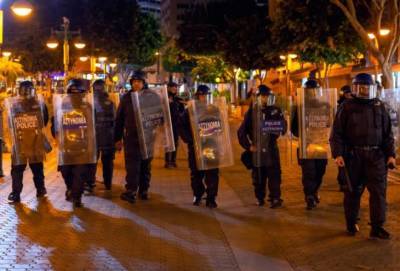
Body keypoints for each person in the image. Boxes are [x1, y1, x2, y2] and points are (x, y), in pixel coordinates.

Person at [330, 73, 395, 239]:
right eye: (361, 87)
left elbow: (388, 134)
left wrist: (391, 155)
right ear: (355, 88)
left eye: (367, 87)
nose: (365, 90)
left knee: (379, 192)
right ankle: (351, 223)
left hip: (376, 156)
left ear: (372, 88)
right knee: (352, 192)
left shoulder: (380, 106)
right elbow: (337, 134)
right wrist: (338, 154)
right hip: (354, 156)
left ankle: (377, 227)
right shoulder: (347, 107)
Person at [238, 85, 287, 208]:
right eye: (262, 96)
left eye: (267, 96)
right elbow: (241, 132)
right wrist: (249, 146)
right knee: (259, 176)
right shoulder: (251, 112)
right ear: (258, 97)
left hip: (271, 148)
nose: (265, 99)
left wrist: (280, 128)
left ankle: (275, 198)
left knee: (275, 174)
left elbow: (283, 127)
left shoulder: (275, 110)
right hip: (258, 150)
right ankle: (260, 198)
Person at [51, 78, 96, 207]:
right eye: (72, 92)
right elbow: (55, 123)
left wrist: (90, 142)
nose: (75, 95)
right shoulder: (62, 105)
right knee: (66, 171)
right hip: (66, 146)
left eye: (78, 92)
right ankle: (71, 190)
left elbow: (93, 126)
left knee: (80, 174)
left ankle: (76, 197)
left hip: (83, 146)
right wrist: (57, 136)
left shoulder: (88, 106)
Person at [115, 71, 157, 203]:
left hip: (148, 136)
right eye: (134, 82)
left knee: (145, 165)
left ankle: (144, 190)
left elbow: (160, 115)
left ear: (144, 83)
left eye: (139, 81)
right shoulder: (126, 98)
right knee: (132, 166)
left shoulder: (152, 97)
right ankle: (131, 190)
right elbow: (119, 119)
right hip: (131, 137)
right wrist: (117, 138)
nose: (136, 84)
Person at [180, 85, 224, 208]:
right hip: (195, 147)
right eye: (201, 95)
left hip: (211, 145)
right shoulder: (190, 110)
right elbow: (182, 126)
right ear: (197, 96)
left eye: (205, 95)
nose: (203, 98)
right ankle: (198, 195)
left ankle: (211, 198)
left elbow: (220, 126)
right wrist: (190, 140)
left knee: (212, 173)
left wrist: (218, 139)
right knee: (196, 174)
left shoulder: (214, 110)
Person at [291, 79, 332, 210]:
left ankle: (314, 191)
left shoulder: (325, 105)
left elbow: (330, 124)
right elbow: (294, 128)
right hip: (306, 145)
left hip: (321, 145)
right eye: (309, 91)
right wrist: (304, 133)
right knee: (309, 173)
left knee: (320, 171)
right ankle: (309, 196)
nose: (312, 93)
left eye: (314, 90)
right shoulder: (299, 107)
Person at [7, 81, 49, 203]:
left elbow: (10, 123)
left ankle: (16, 194)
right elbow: (44, 121)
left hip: (20, 140)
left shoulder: (14, 105)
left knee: (18, 169)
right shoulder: (39, 104)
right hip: (33, 140)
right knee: (36, 168)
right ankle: (40, 190)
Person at [86, 79, 117, 192]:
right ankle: (108, 182)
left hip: (94, 136)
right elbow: (115, 120)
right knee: (108, 161)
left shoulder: (89, 103)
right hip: (108, 137)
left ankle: (90, 182)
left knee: (92, 160)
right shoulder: (110, 103)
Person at [337, 85, 353, 192]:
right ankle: (343, 182)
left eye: (350, 94)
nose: (349, 96)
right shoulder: (340, 106)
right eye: (347, 94)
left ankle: (350, 182)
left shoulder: (355, 105)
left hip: (353, 140)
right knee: (342, 163)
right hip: (343, 140)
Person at [165, 82, 185, 168]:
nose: (174, 89)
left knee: (175, 143)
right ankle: (167, 161)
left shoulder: (178, 99)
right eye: (172, 87)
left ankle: (173, 160)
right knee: (168, 143)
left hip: (176, 124)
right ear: (168, 88)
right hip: (167, 124)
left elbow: (182, 111)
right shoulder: (164, 98)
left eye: (175, 87)